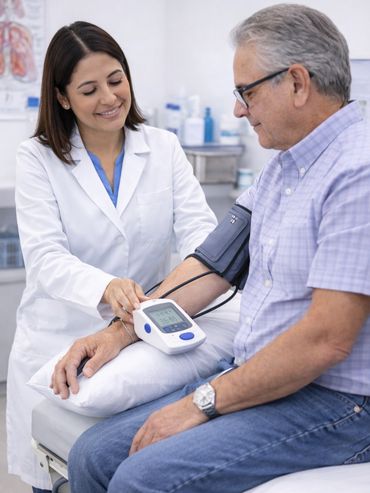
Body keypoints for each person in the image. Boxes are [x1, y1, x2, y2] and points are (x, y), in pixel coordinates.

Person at [63, 4, 370, 493]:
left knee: (141, 479)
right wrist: (119, 333)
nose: (238, 110)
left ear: (296, 82)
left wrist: (200, 402)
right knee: (92, 456)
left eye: (246, 92)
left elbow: (325, 340)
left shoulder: (358, 172)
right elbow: (211, 264)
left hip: (335, 401)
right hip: (261, 375)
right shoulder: (283, 168)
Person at [6, 21, 219, 493]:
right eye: (89, 89)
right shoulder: (37, 158)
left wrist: (202, 274)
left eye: (116, 80)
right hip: (56, 339)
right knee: (53, 475)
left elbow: (200, 232)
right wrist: (104, 286)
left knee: (112, 469)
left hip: (133, 341)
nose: (109, 98)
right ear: (62, 98)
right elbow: (44, 257)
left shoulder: (162, 147)